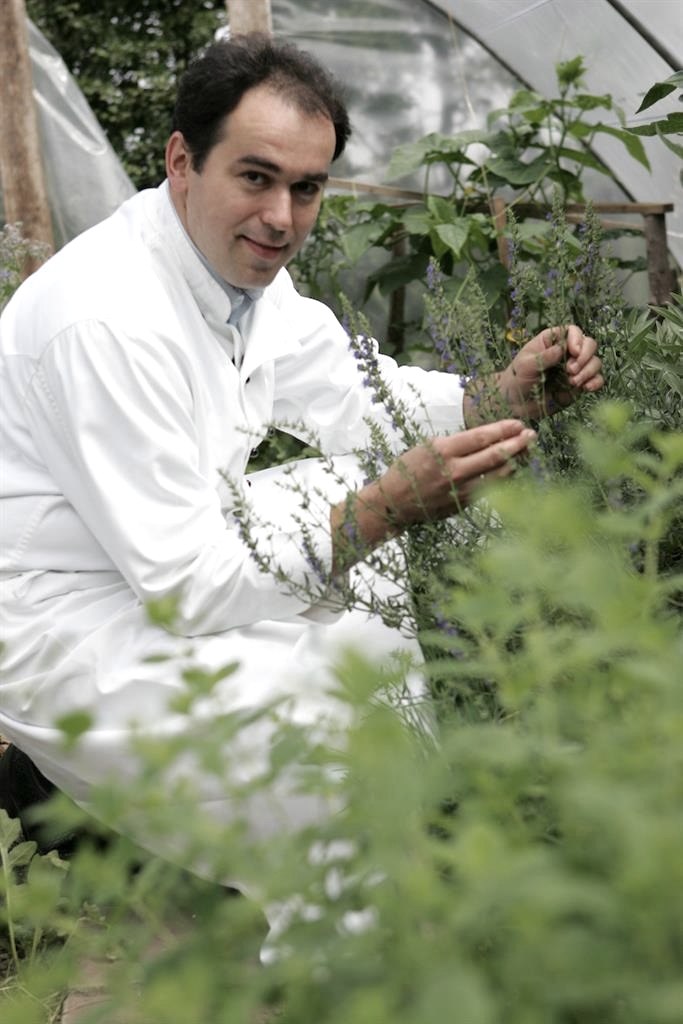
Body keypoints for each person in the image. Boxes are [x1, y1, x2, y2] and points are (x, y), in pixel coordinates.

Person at [0, 35, 603, 880]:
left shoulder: (236, 277)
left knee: (350, 573)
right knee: (315, 741)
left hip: (156, 555)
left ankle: (394, 820)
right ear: (181, 161)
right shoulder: (105, 319)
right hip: (63, 619)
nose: (281, 218)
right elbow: (185, 589)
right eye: (255, 177)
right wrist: (381, 511)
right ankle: (333, 900)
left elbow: (356, 397)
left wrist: (496, 395)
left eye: (306, 187)